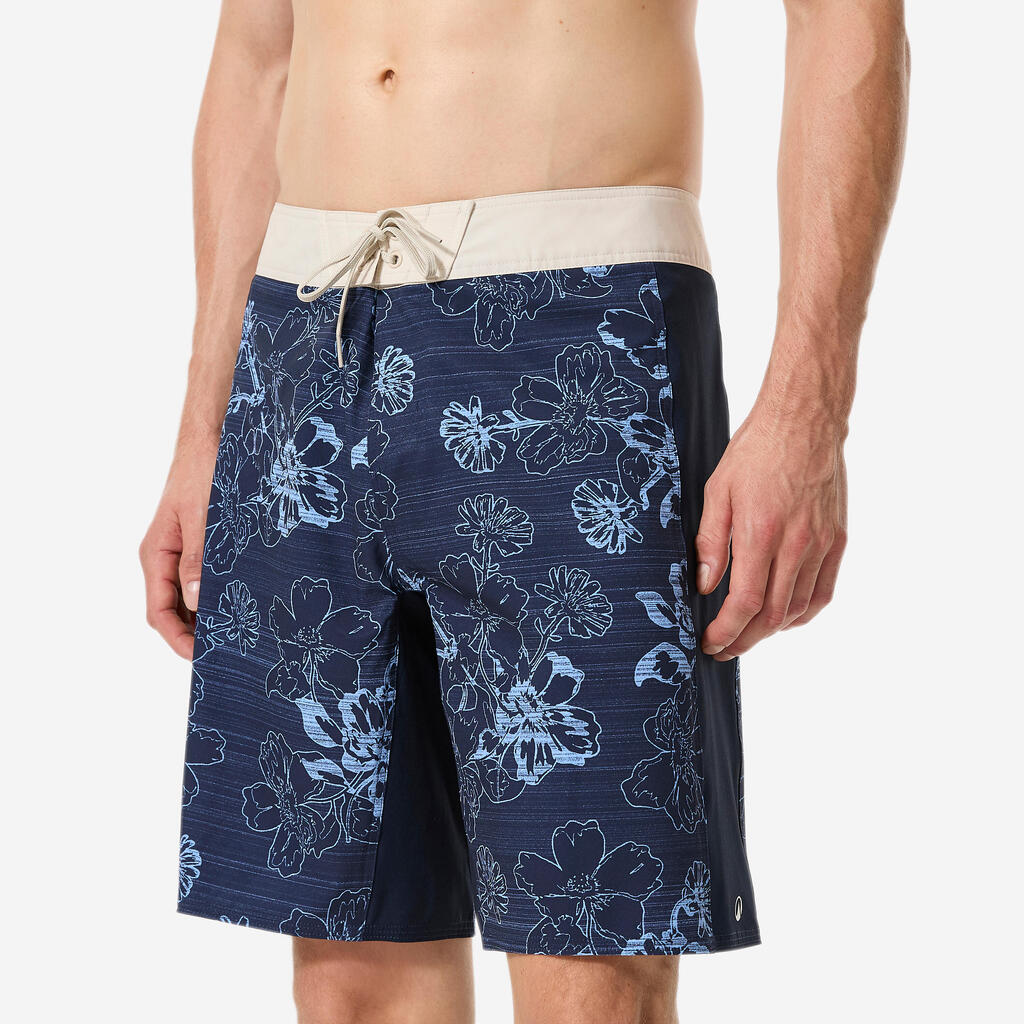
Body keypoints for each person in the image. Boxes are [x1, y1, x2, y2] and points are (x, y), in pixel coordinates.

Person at [140, 2, 909, 1021]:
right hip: (305, 340)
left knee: (591, 966)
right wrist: (205, 427)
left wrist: (810, 412)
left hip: (577, 325)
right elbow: (257, 56)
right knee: (351, 980)